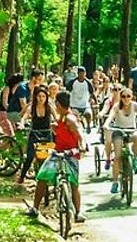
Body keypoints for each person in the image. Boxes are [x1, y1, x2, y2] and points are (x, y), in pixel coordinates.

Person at [31, 91, 88, 224]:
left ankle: (78, 212)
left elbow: (80, 133)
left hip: (70, 154)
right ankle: (35, 208)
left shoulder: (70, 118)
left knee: (73, 183)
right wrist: (55, 128)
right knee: (42, 176)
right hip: (57, 152)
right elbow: (63, 132)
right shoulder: (61, 118)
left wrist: (82, 146)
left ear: (58, 104)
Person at [104, 87, 137, 194]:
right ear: (121, 98)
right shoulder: (117, 106)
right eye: (123, 96)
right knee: (117, 157)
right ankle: (115, 183)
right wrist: (106, 124)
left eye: (128, 96)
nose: (126, 99)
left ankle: (135, 159)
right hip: (118, 131)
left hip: (131, 131)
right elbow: (111, 116)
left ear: (132, 97)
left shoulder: (135, 105)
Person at [16, 85, 53, 185]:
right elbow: (24, 117)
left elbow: (57, 117)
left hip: (46, 135)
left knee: (49, 157)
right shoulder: (32, 106)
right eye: (39, 96)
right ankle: (22, 177)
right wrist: (22, 124)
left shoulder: (49, 106)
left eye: (43, 96)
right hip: (34, 135)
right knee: (30, 157)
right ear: (36, 97)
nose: (41, 99)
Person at [68, 66, 94, 131]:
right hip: (74, 105)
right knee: (75, 115)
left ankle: (88, 125)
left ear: (85, 73)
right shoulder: (72, 82)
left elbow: (92, 93)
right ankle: (77, 128)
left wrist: (94, 101)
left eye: (83, 73)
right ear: (78, 73)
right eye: (80, 73)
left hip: (85, 105)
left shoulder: (88, 83)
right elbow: (67, 92)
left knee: (88, 114)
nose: (82, 75)